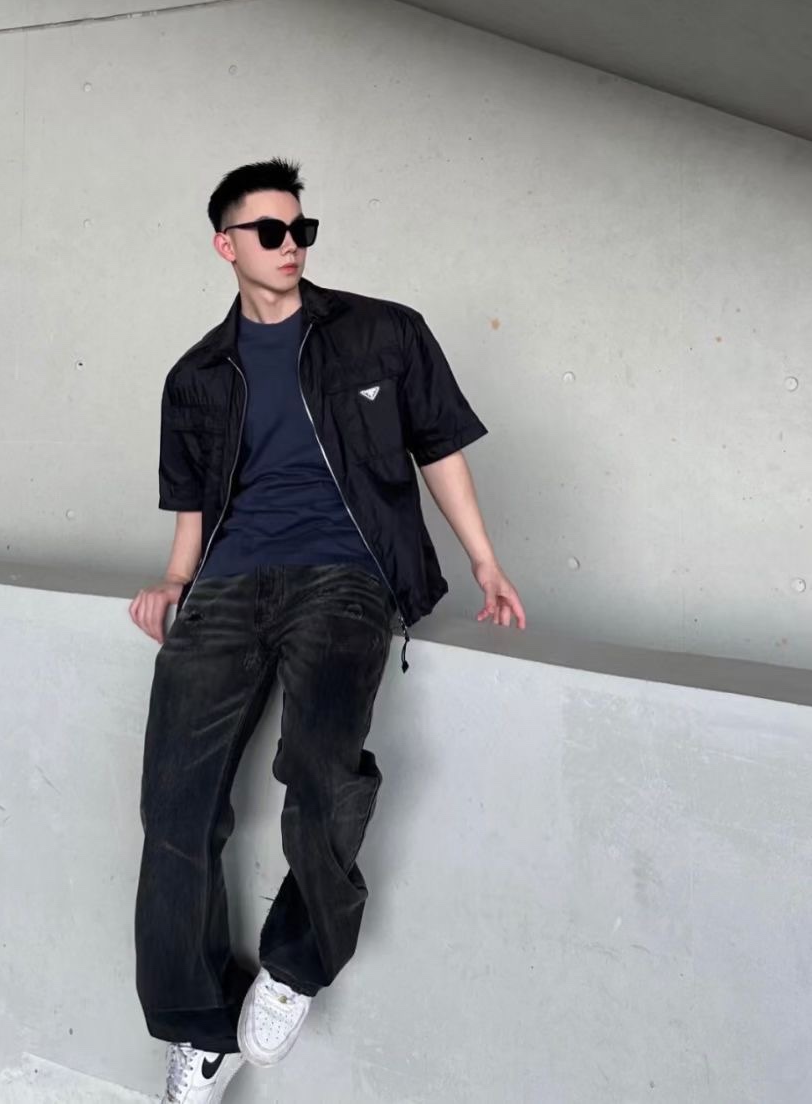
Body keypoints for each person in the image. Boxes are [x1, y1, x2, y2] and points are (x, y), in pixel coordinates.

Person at [129, 157, 526, 1103]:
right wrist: (175, 580)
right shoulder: (195, 375)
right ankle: (198, 1029)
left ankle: (296, 964)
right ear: (225, 245)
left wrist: (483, 559)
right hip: (228, 584)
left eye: (301, 229)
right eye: (270, 231)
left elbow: (439, 448)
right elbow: (191, 506)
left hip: (347, 577)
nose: (291, 245)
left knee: (320, 768)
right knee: (174, 805)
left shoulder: (383, 333)